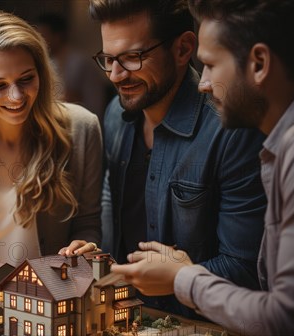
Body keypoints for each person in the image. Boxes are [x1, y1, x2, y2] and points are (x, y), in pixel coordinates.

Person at [110, 1, 294, 334]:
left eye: (209, 65)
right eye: (108, 60)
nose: (203, 83)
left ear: (259, 63)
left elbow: (292, 319)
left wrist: (183, 278)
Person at [84, 0, 267, 317]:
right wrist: (93, 253)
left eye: (132, 57)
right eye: (108, 59)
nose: (115, 75)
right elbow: (116, 219)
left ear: (183, 49)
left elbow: (247, 271)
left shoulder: (231, 131)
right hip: (125, 317)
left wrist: (178, 279)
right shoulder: (116, 114)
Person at [0, 10, 103, 268]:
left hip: (56, 292)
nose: (17, 97)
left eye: (26, 79)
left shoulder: (82, 128)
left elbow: (88, 224)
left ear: (41, 72)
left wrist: (84, 246)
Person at [34, 13, 110, 124]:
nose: (39, 41)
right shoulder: (47, 63)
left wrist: (73, 101)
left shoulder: (81, 63)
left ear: (58, 36)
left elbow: (96, 106)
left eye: (43, 35)